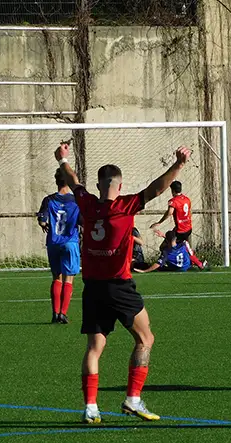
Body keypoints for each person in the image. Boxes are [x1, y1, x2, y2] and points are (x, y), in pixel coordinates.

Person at [55, 142, 191, 424]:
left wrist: (62, 159)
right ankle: (132, 398)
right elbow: (156, 189)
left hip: (92, 287)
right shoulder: (126, 205)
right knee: (145, 338)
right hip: (119, 286)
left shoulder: (87, 202)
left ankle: (90, 408)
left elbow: (73, 180)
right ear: (120, 184)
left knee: (94, 349)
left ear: (98, 184)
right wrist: (178, 165)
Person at [37, 169, 81, 325]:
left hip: (54, 243)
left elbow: (42, 221)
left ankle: (55, 314)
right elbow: (82, 221)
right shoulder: (76, 201)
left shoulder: (48, 200)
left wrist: (45, 224)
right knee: (69, 279)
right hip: (70, 242)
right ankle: (63, 313)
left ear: (56, 181)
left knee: (56, 278)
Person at [150, 181, 206, 269]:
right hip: (188, 228)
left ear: (172, 190)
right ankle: (195, 263)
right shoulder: (187, 199)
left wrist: (159, 222)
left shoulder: (174, 201)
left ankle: (181, 263)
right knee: (183, 245)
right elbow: (189, 212)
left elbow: (169, 213)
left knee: (165, 247)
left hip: (180, 230)